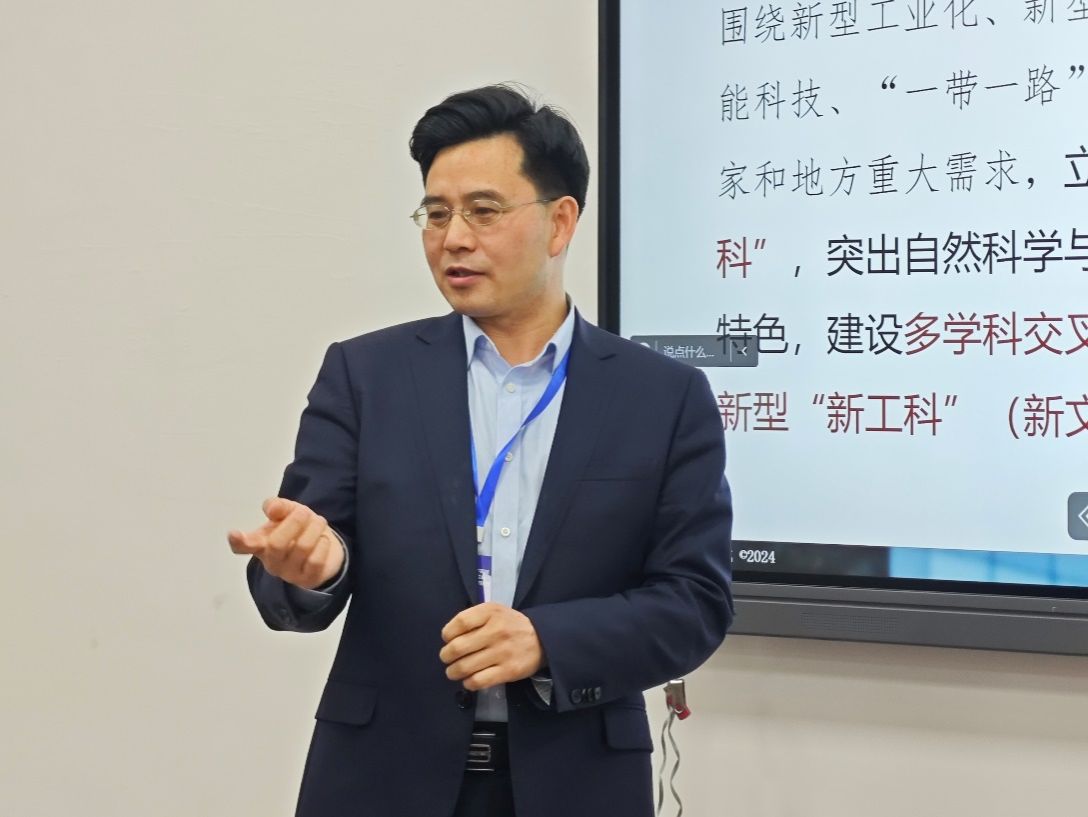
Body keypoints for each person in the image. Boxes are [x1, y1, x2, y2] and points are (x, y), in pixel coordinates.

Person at [228, 84, 733, 817]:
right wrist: (316, 567)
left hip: (576, 784)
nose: (453, 238)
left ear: (560, 222)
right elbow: (296, 577)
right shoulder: (366, 376)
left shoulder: (662, 397)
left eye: (483, 211)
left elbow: (695, 602)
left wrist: (548, 640)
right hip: (381, 780)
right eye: (436, 214)